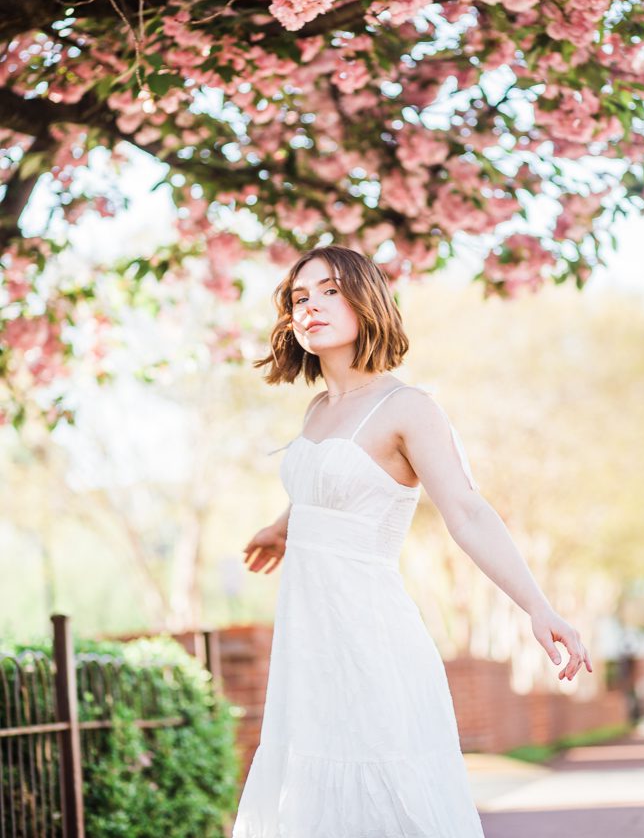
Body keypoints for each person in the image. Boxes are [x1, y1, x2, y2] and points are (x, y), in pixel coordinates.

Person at [232, 243, 592, 838]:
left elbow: (468, 512)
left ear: (365, 301)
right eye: (300, 297)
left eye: (329, 291)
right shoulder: (319, 410)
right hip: (310, 644)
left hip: (371, 639)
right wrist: (282, 525)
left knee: (387, 796)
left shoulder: (409, 408)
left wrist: (538, 606)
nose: (311, 306)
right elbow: (330, 488)